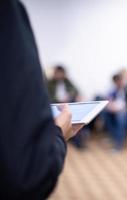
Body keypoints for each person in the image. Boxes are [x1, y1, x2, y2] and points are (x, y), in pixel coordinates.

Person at [0, 1, 82, 199]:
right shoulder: (6, 12)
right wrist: (58, 134)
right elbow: (28, 174)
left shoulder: (69, 82)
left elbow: (75, 91)